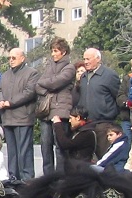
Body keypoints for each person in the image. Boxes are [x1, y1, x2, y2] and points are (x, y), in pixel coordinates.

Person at [0, 48, 39, 180]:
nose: (11, 60)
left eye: (14, 58)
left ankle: (27, 180)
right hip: (7, 118)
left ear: (22, 58)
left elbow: (29, 92)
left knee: (24, 152)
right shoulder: (5, 75)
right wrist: (0, 101)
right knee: (11, 152)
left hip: (23, 118)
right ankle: (13, 178)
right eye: (9, 58)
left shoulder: (32, 73)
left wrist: (10, 102)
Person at [36, 38, 76, 175]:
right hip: (46, 112)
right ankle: (48, 178)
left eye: (55, 51)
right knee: (45, 147)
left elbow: (56, 82)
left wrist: (46, 84)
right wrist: (48, 89)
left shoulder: (70, 68)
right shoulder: (49, 67)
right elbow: (38, 85)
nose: (53, 54)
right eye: (52, 51)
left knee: (60, 147)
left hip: (61, 111)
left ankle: (61, 177)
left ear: (63, 52)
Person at [78, 48, 121, 157]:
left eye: (88, 59)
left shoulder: (110, 76)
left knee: (104, 157)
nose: (85, 62)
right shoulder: (83, 77)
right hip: (86, 124)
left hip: (103, 123)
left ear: (98, 59)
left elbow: (119, 97)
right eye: (84, 59)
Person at [51, 107, 97, 171]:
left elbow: (65, 144)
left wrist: (57, 124)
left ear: (78, 118)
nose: (69, 121)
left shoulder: (86, 133)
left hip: (80, 171)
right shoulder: (81, 130)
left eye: (71, 118)